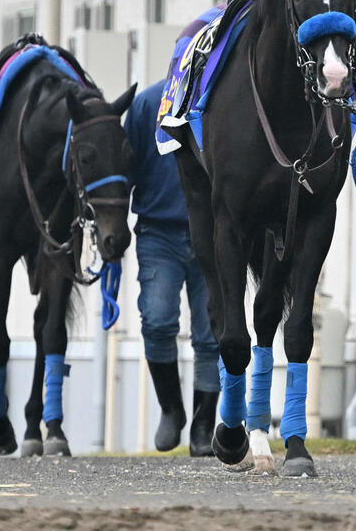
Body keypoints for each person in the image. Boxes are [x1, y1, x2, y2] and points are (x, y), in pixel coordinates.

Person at [124, 79, 220, 456]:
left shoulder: (219, 97)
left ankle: (203, 423)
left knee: (212, 334)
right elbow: (126, 167)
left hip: (211, 233)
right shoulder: (148, 103)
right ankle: (171, 409)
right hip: (158, 230)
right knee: (158, 319)